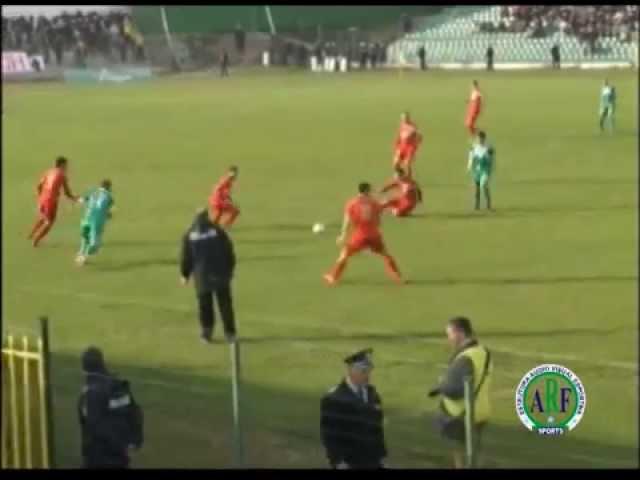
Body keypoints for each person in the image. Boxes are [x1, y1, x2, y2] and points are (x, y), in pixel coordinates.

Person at [427, 317, 492, 469]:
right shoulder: (483, 352)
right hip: (482, 410)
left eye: (450, 334)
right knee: (475, 449)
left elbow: (456, 390)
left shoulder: (465, 358)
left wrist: (442, 385)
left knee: (459, 451)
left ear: (459, 333)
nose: (449, 339)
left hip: (462, 414)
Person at [323, 182, 403, 286]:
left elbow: (347, 220)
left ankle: (333, 277)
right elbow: (378, 219)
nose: (371, 192)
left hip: (360, 235)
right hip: (374, 234)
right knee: (385, 254)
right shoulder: (374, 203)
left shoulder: (351, 203)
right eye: (370, 190)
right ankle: (397, 277)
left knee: (344, 255)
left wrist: (343, 235)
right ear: (366, 191)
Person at [78, 347, 144, 469]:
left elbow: (92, 425)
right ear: (102, 363)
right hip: (120, 457)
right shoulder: (119, 386)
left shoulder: (90, 393)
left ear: (83, 369)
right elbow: (135, 412)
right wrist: (135, 440)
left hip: (98, 458)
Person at [320, 349, 387, 469]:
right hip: (349, 462)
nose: (367, 375)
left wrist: (381, 456)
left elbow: (377, 429)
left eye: (369, 371)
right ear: (351, 371)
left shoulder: (372, 394)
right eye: (363, 371)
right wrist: (338, 462)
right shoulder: (334, 398)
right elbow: (329, 435)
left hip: (373, 461)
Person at [180, 208, 237, 344]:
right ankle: (230, 334)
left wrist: (185, 274)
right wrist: (230, 269)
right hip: (221, 274)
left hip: (202, 276)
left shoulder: (189, 235)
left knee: (205, 306)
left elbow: (186, 257)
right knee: (225, 305)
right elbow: (229, 250)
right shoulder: (218, 231)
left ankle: (207, 334)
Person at [28, 156, 80, 247]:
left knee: (42, 217)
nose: (67, 167)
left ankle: (31, 234)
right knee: (49, 222)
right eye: (66, 165)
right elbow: (67, 193)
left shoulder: (49, 172)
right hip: (51, 201)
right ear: (62, 164)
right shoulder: (62, 175)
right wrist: (75, 198)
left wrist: (40, 196)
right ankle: (36, 240)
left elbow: (39, 185)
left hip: (43, 198)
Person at [76, 179, 115, 266]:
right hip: (96, 222)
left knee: (85, 238)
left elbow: (82, 200)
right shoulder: (109, 196)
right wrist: (108, 214)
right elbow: (109, 210)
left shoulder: (93, 192)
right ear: (108, 187)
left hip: (86, 219)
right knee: (95, 244)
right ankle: (83, 257)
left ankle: (81, 254)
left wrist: (78, 201)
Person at [467, 131, 495, 211]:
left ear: (484, 138)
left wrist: (490, 168)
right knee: (477, 187)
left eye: (481, 138)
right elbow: (471, 157)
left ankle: (488, 203)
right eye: (478, 138)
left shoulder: (488, 148)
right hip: (476, 170)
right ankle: (477, 205)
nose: (479, 140)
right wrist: (469, 166)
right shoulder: (474, 147)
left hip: (485, 170)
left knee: (483, 185)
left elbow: (491, 160)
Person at [393, 112, 423, 178]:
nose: (404, 119)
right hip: (401, 146)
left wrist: (417, 145)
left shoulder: (413, 126)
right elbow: (399, 135)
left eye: (406, 118)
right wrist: (396, 144)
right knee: (395, 163)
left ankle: (409, 178)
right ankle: (400, 174)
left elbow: (420, 136)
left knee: (407, 164)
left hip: (410, 147)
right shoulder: (402, 125)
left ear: (408, 118)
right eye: (403, 118)